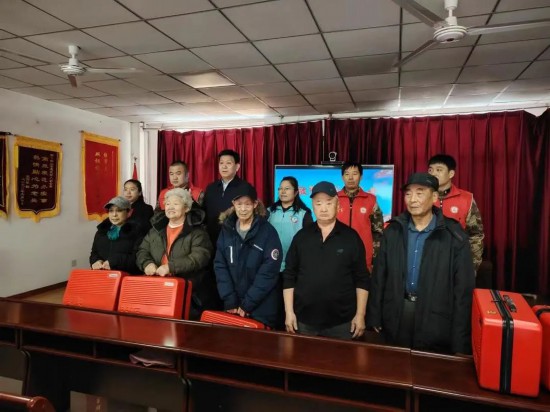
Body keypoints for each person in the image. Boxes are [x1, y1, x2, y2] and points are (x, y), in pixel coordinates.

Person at [366, 173, 475, 354]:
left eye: (420, 193)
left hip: (436, 318)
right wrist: (374, 316)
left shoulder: (453, 235)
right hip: (397, 312)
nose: (412, 199)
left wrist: (461, 338)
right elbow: (379, 276)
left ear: (434, 197)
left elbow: (463, 290)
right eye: (408, 193)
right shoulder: (393, 231)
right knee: (394, 364)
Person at [283, 181, 369, 340]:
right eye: (318, 203)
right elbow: (289, 276)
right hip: (304, 321)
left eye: (329, 203)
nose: (323, 208)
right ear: (313, 206)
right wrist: (289, 312)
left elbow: (362, 278)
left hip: (342, 323)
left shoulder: (351, 237)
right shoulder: (301, 237)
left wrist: (360, 314)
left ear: (337, 205)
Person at [136, 188, 214, 320]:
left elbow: (199, 257)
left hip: (187, 293)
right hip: (156, 289)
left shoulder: (197, 232)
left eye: (176, 204)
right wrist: (146, 263)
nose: (170, 207)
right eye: (167, 204)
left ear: (186, 208)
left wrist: (171, 267)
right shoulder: (155, 230)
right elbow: (142, 251)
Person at [214, 183, 283, 328]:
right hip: (233, 306)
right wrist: (230, 299)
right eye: (239, 204)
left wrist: (248, 303)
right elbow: (220, 265)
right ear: (233, 204)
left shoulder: (268, 232)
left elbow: (269, 272)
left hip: (261, 308)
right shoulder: (227, 230)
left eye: (247, 204)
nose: (243, 209)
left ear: (255, 204)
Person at [428, 154, 484, 271]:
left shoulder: (466, 198)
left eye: (439, 170)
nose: (433, 174)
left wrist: (471, 268)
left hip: (456, 263)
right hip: (428, 262)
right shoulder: (423, 197)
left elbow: (476, 235)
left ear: (451, 174)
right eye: (430, 170)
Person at [337, 162, 384, 271]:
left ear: (361, 176)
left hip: (364, 258)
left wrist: (374, 259)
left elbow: (378, 232)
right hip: (337, 257)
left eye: (355, 173)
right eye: (347, 174)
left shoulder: (371, 200)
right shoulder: (334, 199)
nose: (350, 178)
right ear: (342, 177)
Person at [203, 149, 249, 244]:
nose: (224, 166)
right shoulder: (211, 188)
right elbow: (204, 213)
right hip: (211, 240)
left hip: (234, 241)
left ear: (237, 167)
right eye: (221, 163)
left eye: (228, 163)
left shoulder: (245, 188)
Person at [268, 176, 313, 270]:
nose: (283, 191)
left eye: (287, 188)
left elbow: (309, 241)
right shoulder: (269, 211)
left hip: (294, 265)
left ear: (296, 192)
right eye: (280, 188)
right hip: (271, 262)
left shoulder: (304, 214)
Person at [90, 196, 142, 274]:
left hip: (126, 277)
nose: (114, 215)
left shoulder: (137, 232)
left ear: (129, 212)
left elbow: (138, 259)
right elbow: (94, 253)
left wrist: (115, 261)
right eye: (111, 211)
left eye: (119, 210)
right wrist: (95, 261)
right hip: (102, 276)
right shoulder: (101, 231)